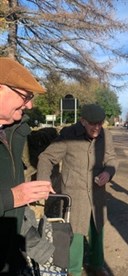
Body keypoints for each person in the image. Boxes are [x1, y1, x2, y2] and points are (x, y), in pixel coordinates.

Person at [37, 103, 117, 276]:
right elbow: (46, 157)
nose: (97, 128)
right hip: (74, 192)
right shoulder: (68, 135)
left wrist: (108, 173)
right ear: (82, 121)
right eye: (93, 123)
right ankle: (74, 270)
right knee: (75, 234)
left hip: (97, 193)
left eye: (100, 123)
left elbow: (111, 159)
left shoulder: (106, 135)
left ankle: (97, 265)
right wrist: (43, 182)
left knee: (98, 230)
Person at [0, 57, 55, 270]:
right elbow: (11, 197)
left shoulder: (13, 132)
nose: (30, 105)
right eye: (25, 96)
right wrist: (11, 197)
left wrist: (34, 243)